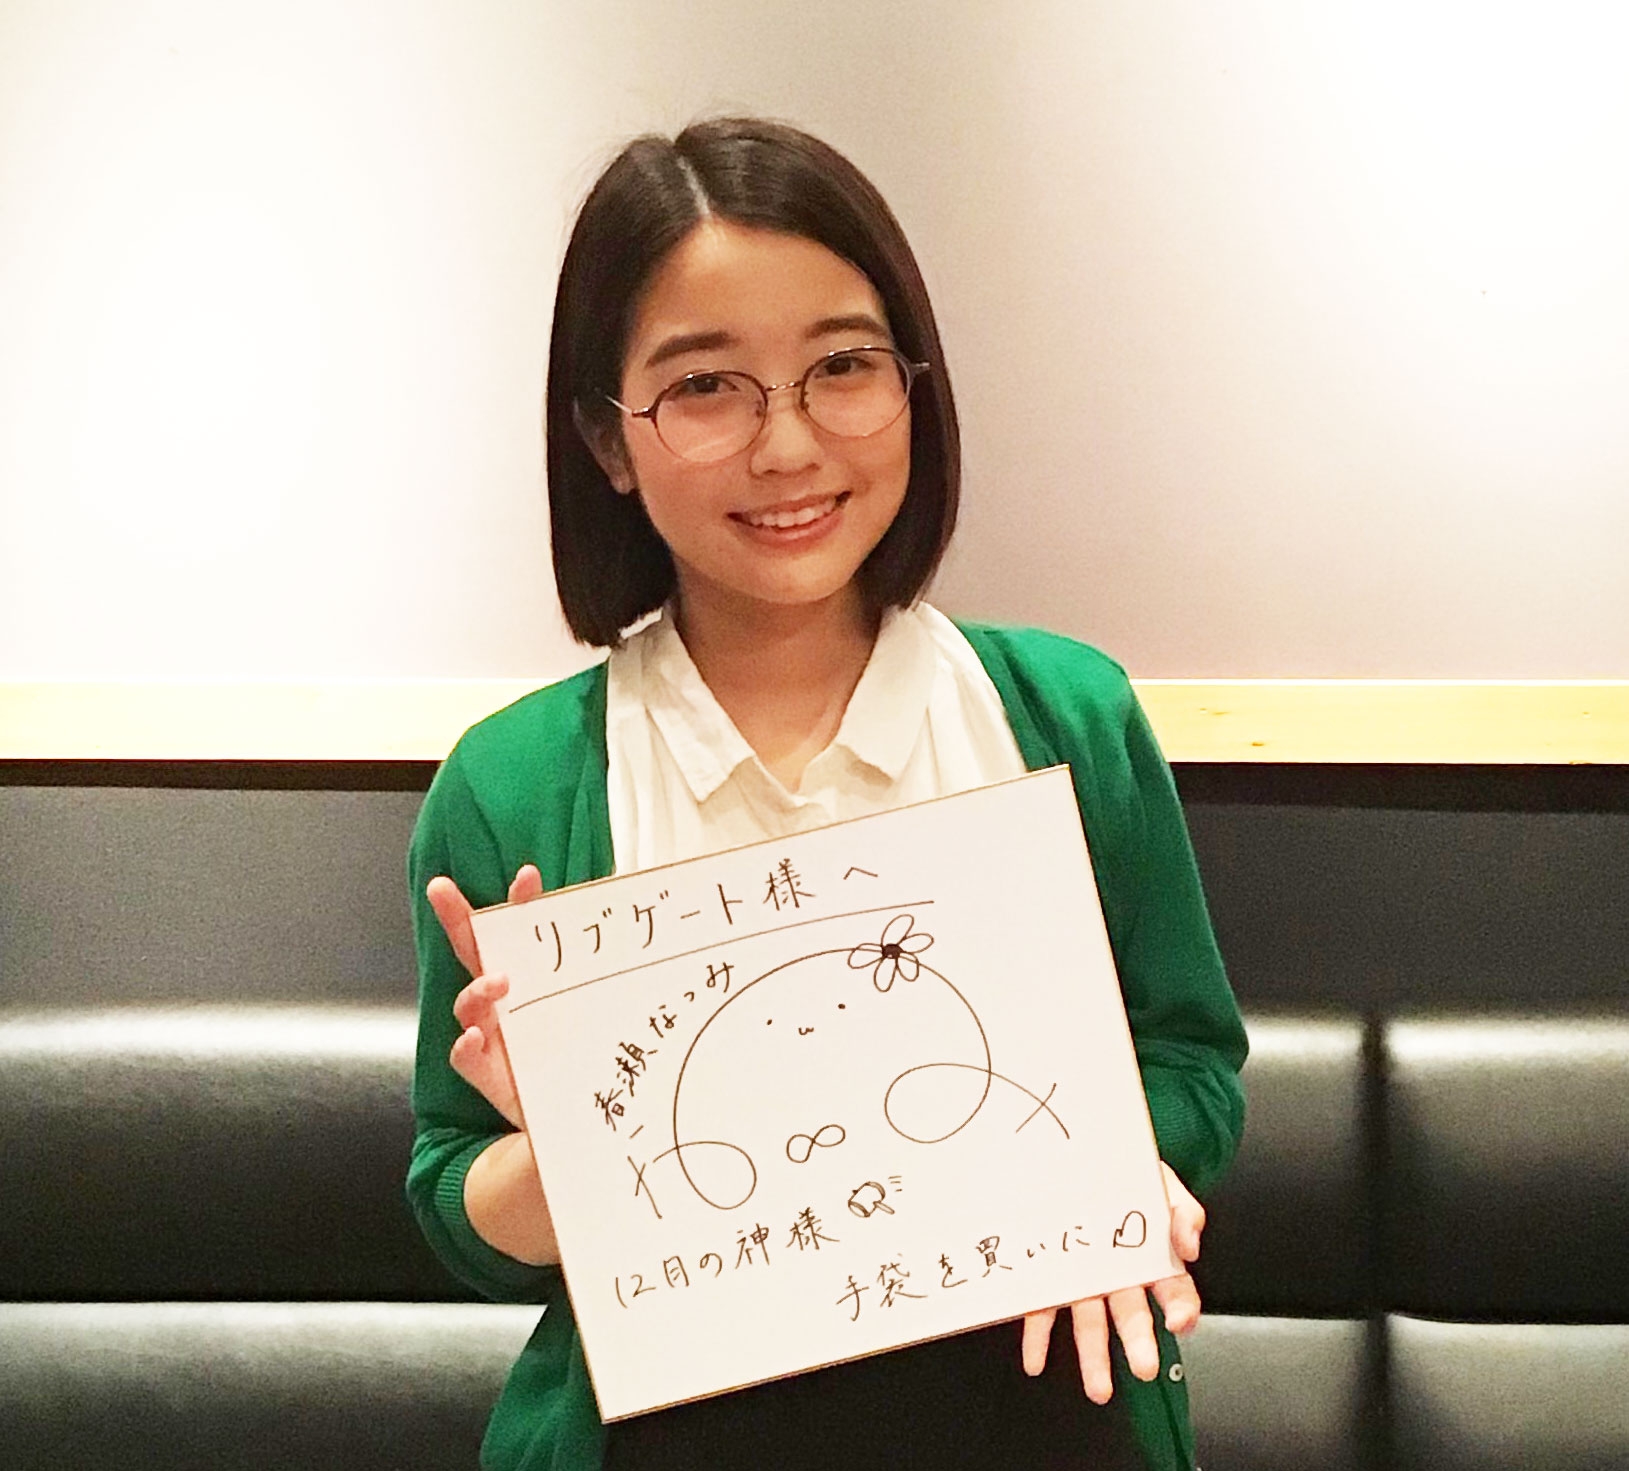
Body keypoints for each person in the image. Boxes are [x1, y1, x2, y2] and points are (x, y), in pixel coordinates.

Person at [407, 116, 1247, 1471]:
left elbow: (1190, 1060)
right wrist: (572, 1161)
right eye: (705, 387)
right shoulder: (510, 786)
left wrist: (1107, 1161)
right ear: (608, 441)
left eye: (843, 367)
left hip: (1041, 1417)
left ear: (912, 387)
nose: (787, 445)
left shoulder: (1066, 717)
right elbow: (454, 1195)